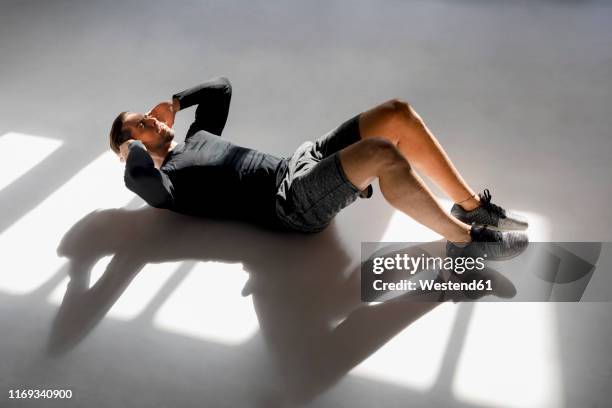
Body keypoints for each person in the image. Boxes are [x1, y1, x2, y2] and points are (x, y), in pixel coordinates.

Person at [109, 77, 528, 258]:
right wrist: (130, 150)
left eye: (146, 116)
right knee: (381, 151)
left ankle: (469, 205)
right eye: (140, 128)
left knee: (396, 112)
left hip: (300, 161)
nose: (152, 122)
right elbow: (141, 179)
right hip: (291, 204)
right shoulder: (169, 183)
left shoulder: (197, 135)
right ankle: (467, 239)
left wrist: (176, 102)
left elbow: (221, 88)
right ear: (132, 148)